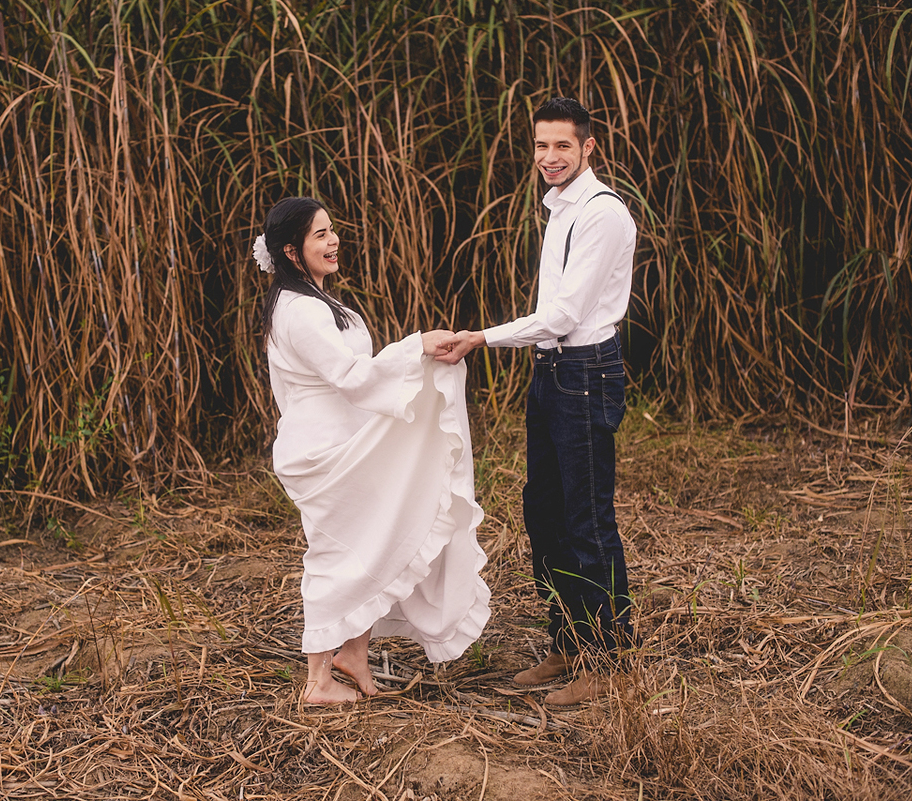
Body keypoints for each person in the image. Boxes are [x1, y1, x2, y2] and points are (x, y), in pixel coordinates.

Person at [436, 97, 636, 706]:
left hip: (584, 373)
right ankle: (570, 644)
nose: (549, 158)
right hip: (550, 373)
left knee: (587, 518)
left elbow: (567, 314)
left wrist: (481, 337)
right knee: (543, 513)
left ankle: (608, 661)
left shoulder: (602, 214)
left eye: (562, 147)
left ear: (588, 148)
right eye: (541, 146)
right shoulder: (560, 208)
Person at [257, 196, 491, 705]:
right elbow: (351, 377)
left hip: (350, 437)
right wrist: (417, 347)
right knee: (336, 554)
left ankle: (354, 654)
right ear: (293, 252)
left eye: (332, 229)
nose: (333, 240)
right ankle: (318, 681)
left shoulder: (322, 303)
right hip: (324, 450)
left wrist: (421, 358)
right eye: (319, 234)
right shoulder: (299, 313)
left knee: (372, 541)